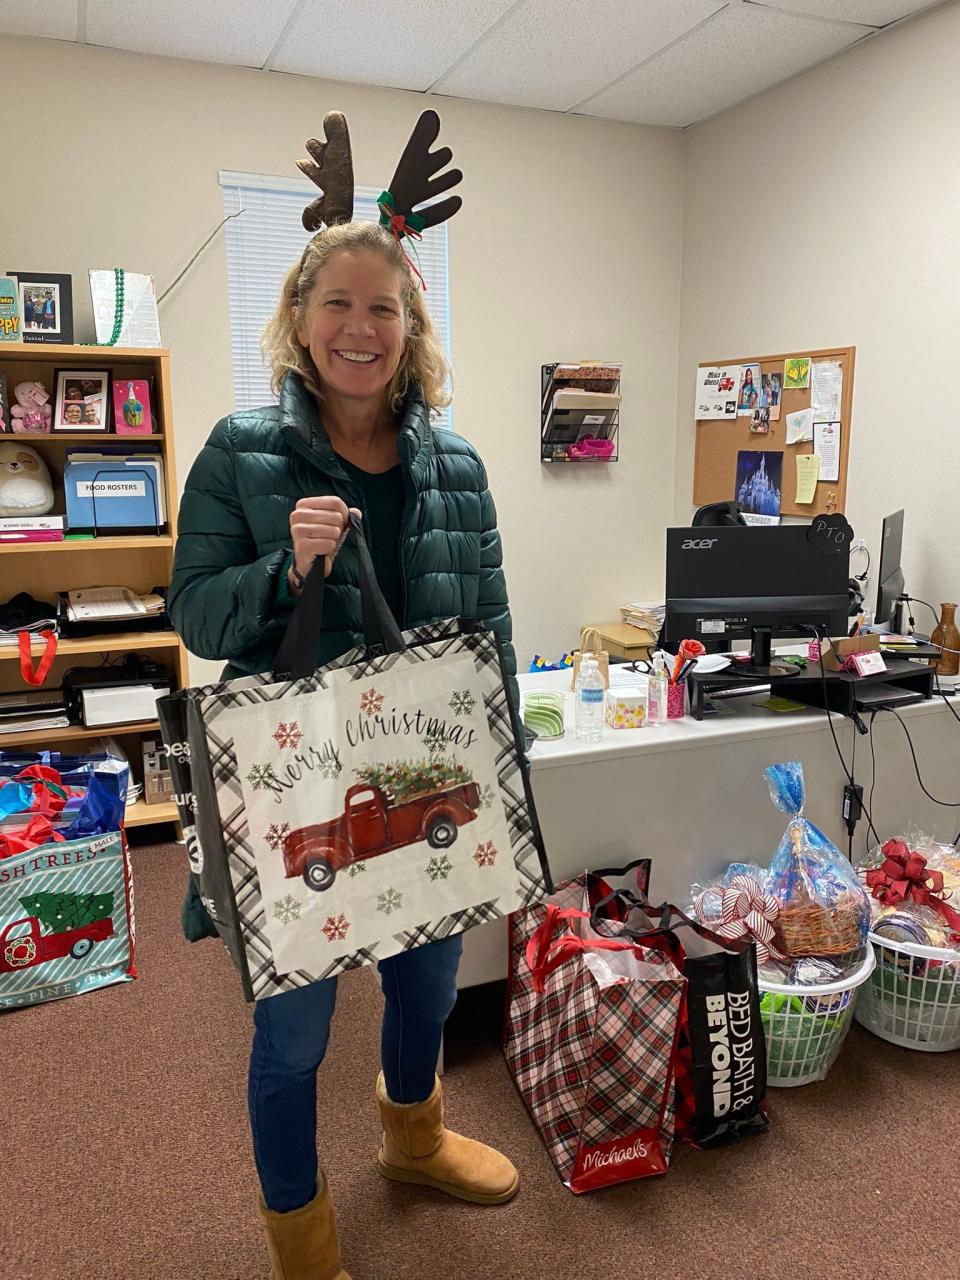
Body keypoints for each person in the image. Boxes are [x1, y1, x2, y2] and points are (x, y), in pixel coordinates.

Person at [168, 109, 519, 1280]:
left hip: (424, 783)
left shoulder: (455, 463)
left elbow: (492, 632)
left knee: (426, 983)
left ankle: (412, 1138)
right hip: (300, 798)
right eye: (340, 305)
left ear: (411, 325)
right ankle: (299, 1230)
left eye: (386, 307)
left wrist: (504, 773)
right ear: (300, 320)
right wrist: (285, 567)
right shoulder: (238, 451)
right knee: (296, 1031)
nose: (362, 328)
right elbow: (199, 616)